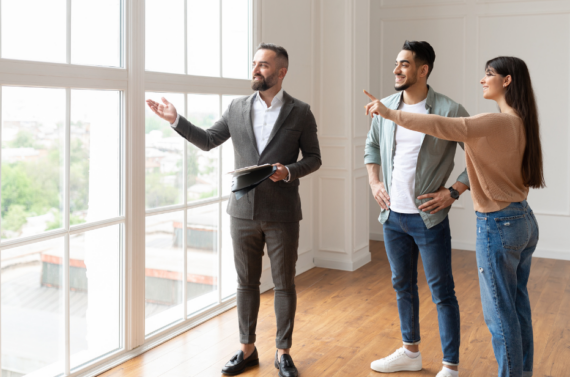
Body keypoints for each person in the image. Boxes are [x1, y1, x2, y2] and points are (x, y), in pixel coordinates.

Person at [147, 43, 321, 377]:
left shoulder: (300, 111)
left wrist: (289, 171)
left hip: (283, 211)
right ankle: (247, 350)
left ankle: (283, 353)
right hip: (241, 212)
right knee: (246, 283)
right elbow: (209, 139)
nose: (257, 69)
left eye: (265, 65)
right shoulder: (237, 107)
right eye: (255, 63)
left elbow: (314, 158)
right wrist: (175, 120)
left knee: (284, 284)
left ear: (281, 72)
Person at [364, 55, 544, 377]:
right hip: (522, 220)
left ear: (507, 81)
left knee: (500, 317)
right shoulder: (520, 121)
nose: (482, 79)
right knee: (517, 309)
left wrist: (391, 114)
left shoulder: (498, 121)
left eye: (488, 74)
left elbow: (443, 126)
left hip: (499, 224)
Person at [364, 40, 469, 377]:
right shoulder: (386, 106)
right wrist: (374, 183)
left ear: (423, 70)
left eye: (404, 64)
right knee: (402, 285)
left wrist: (453, 192)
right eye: (396, 63)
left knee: (442, 292)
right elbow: (372, 145)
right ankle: (411, 352)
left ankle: (450, 367)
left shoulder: (450, 110)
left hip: (430, 218)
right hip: (393, 218)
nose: (396, 70)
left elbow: (482, 157)